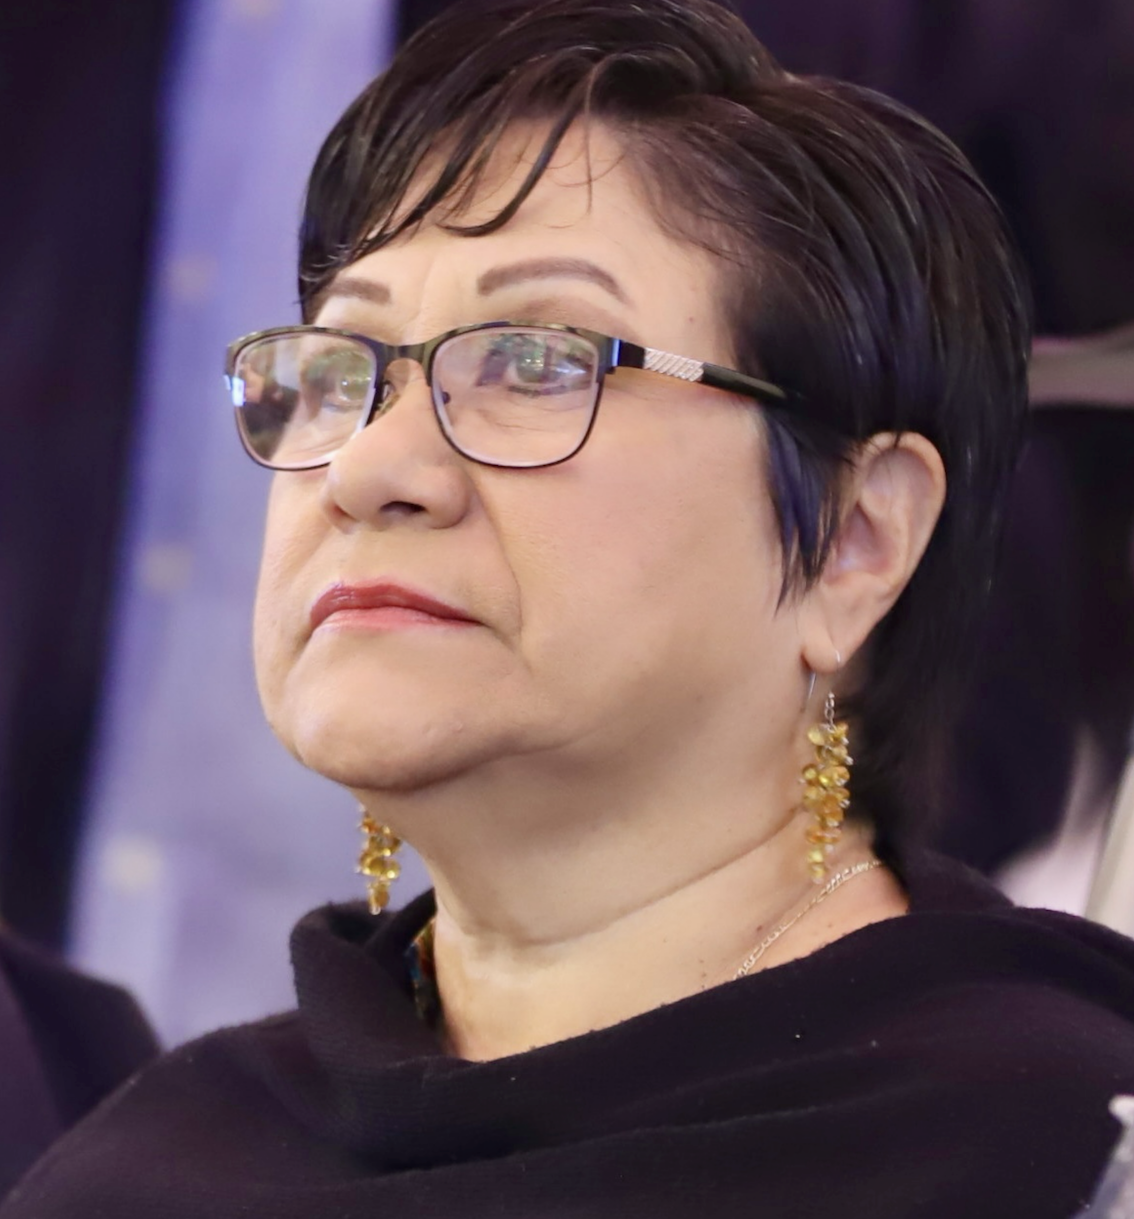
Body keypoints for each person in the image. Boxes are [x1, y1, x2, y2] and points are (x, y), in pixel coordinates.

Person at [6, 1, 1134, 1215]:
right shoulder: (148, 1169)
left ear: (858, 538)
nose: (369, 469)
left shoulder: (1052, 1153)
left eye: (536, 363)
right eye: (336, 370)